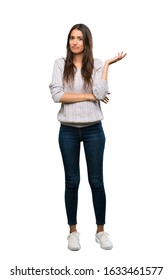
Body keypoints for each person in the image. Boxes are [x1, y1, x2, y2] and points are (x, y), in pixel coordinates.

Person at [49, 23, 127, 251]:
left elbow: (100, 93)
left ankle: (101, 231)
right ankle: (72, 232)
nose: (75, 42)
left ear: (86, 42)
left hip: (94, 130)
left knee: (96, 181)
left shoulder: (98, 64)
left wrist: (109, 65)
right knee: (72, 181)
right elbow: (57, 95)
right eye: (72, 38)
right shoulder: (59, 64)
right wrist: (88, 95)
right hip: (68, 131)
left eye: (80, 38)